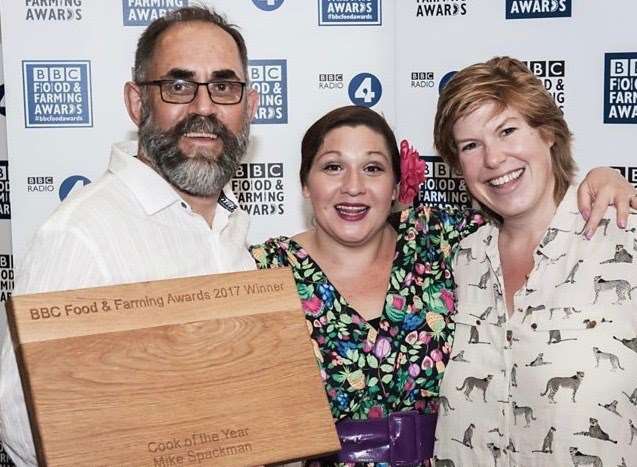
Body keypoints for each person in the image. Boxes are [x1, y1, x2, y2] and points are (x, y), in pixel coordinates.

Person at [250, 105, 637, 466]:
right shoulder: (262, 271)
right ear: (305, 184)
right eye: (333, 167)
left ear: (396, 186)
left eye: (373, 169)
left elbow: (532, 213)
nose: (353, 186)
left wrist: (602, 180)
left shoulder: (444, 240)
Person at [0, 6, 258, 466]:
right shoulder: (80, 236)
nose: (204, 107)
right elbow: (27, 430)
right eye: (178, 86)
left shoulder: (230, 229)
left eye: (223, 86)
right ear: (138, 103)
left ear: (250, 106)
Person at [432, 57, 637, 467]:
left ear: (547, 133)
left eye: (507, 130)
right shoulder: (461, 257)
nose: (493, 159)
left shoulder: (624, 237)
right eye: (471, 146)